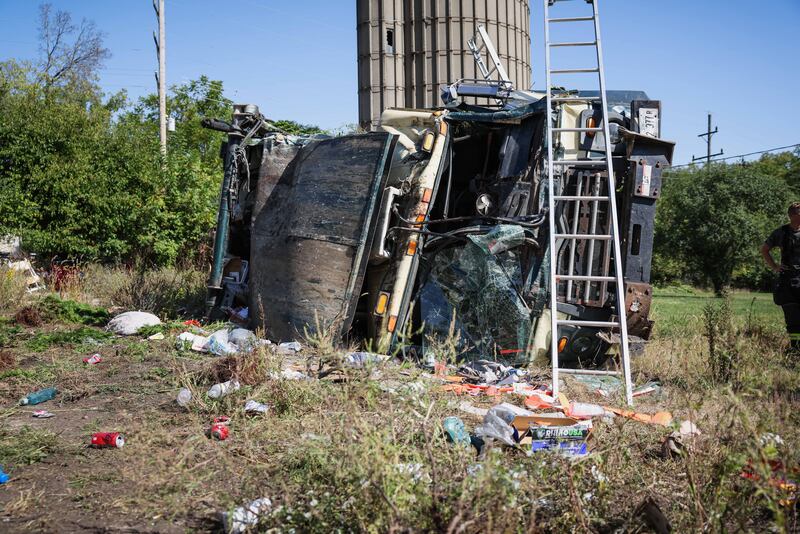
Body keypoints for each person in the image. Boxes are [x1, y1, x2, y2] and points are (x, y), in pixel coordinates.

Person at [761, 202, 800, 356]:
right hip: (788, 281)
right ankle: (795, 349)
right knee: (793, 320)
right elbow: (764, 250)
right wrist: (775, 266)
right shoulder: (781, 232)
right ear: (793, 215)